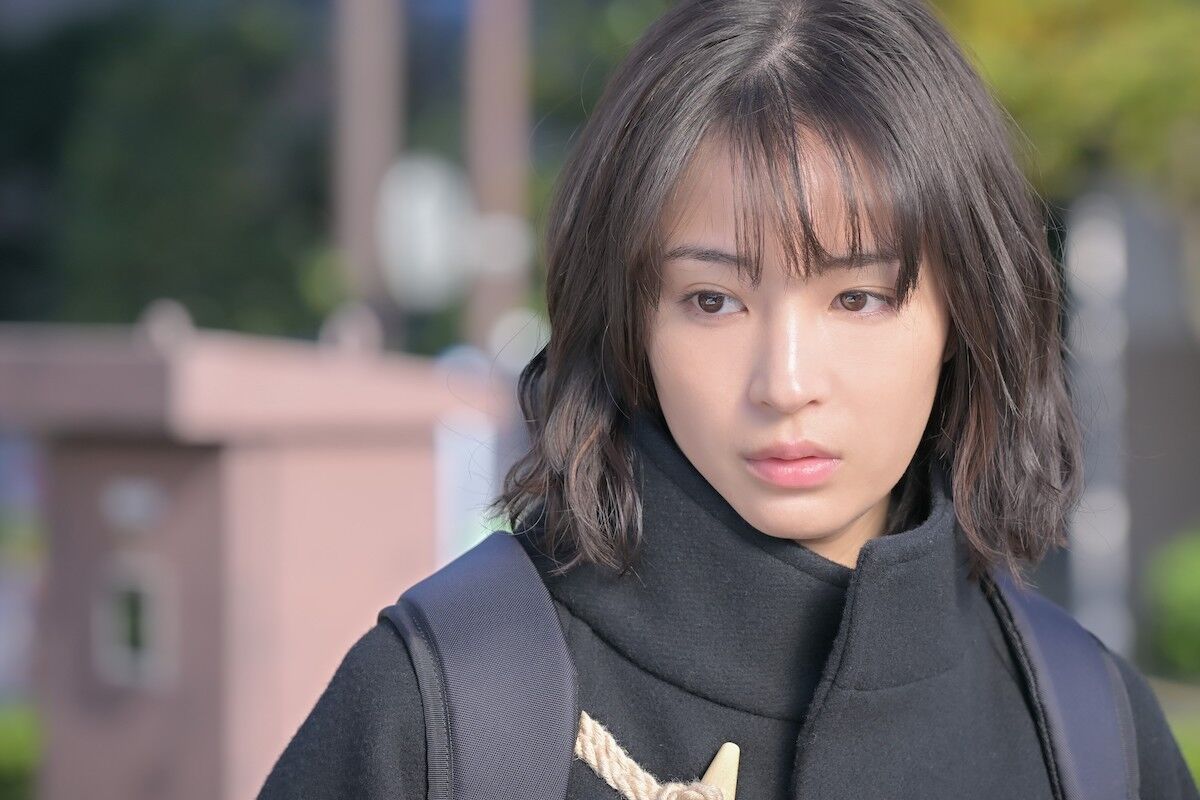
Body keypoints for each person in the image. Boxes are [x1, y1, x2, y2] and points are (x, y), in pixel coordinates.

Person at [258, 0, 1200, 797]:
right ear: (630, 317)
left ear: (965, 313)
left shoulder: (1090, 730)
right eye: (712, 301)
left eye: (858, 299)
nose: (785, 383)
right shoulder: (447, 699)